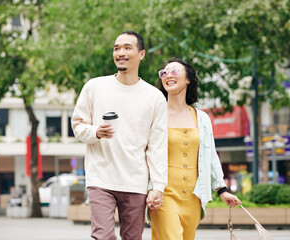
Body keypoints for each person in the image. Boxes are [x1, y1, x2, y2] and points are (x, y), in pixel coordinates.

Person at [71, 31, 168, 240]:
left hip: (135, 181)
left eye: (127, 48)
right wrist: (94, 131)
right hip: (101, 178)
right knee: (102, 236)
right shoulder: (95, 87)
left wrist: (158, 187)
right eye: (116, 48)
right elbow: (77, 125)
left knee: (132, 238)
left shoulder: (155, 98)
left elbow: (157, 147)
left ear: (141, 54)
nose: (120, 53)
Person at [148, 58, 242, 240]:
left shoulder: (202, 118)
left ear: (188, 79)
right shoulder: (155, 114)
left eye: (174, 71)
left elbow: (210, 155)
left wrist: (222, 190)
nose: (168, 75)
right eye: (164, 73)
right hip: (163, 193)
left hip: (193, 196)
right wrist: (149, 188)